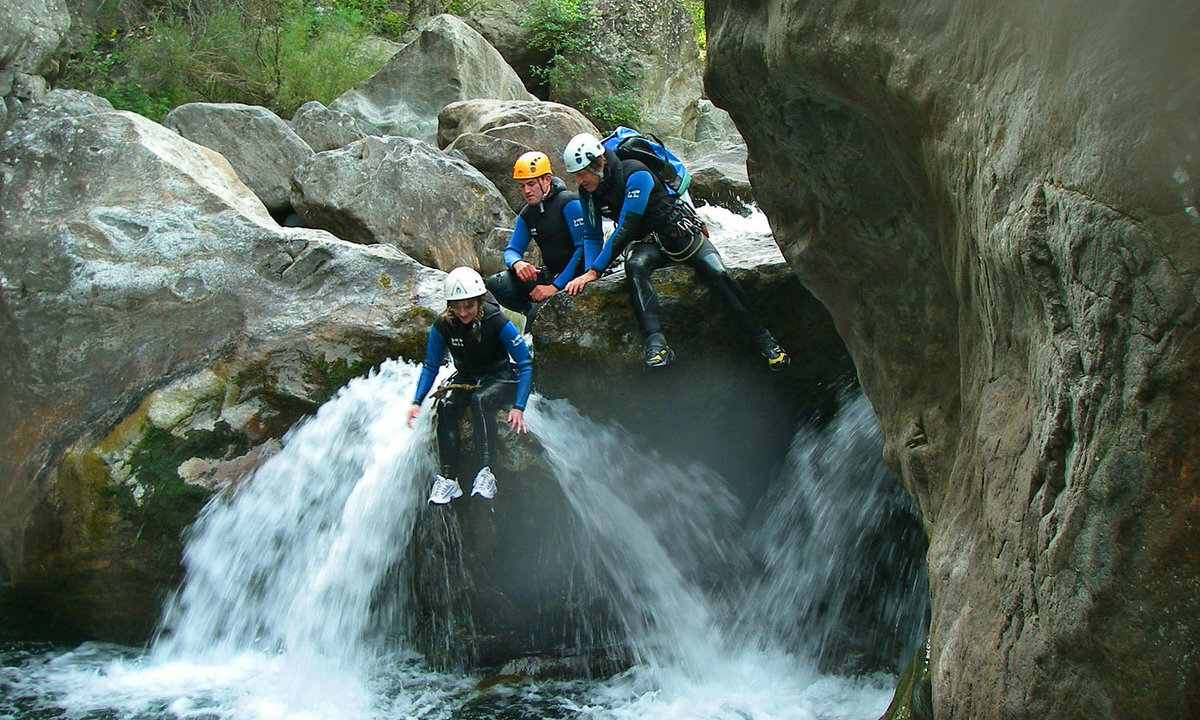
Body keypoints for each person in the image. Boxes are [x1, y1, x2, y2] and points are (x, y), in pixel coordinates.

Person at [561, 132, 791, 370]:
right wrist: (588, 273)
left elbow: (627, 226)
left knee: (718, 273)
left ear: (598, 165)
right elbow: (591, 234)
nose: (579, 181)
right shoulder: (588, 192)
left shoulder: (636, 172)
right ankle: (656, 344)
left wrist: (594, 272)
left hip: (678, 231)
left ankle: (765, 341)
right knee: (635, 266)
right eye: (576, 176)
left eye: (581, 175)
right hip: (646, 243)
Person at [406, 267, 532, 504]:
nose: (463, 313)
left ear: (479, 302)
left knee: (480, 400)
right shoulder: (443, 325)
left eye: (469, 306)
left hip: (500, 376)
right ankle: (448, 480)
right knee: (445, 405)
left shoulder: (496, 321)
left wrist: (519, 406)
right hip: (467, 376)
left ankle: (487, 473)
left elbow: (525, 363)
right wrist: (416, 401)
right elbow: (431, 365)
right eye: (457, 306)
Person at [485, 151, 588, 332]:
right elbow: (511, 250)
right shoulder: (527, 214)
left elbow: (583, 249)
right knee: (496, 284)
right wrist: (518, 263)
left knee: (537, 316)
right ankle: (531, 309)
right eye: (522, 186)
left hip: (576, 277)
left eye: (531, 184)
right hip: (551, 275)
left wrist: (555, 287)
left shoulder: (569, 203)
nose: (526, 191)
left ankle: (537, 317)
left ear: (547, 180)